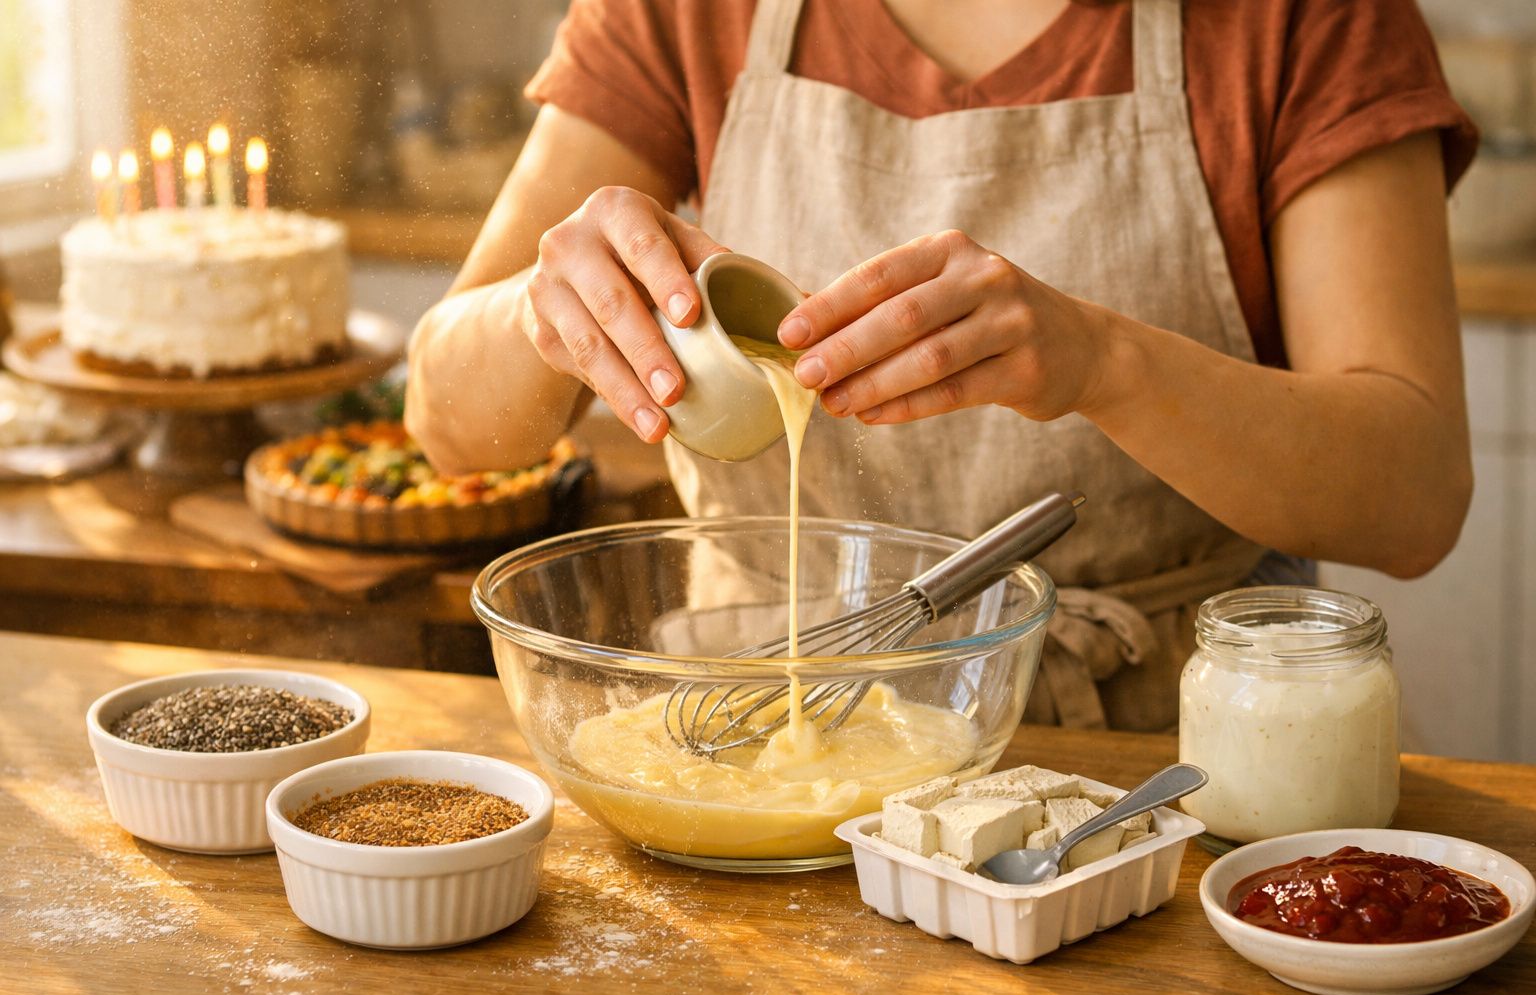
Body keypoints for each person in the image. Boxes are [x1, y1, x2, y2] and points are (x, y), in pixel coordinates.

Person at [406, 0, 1478, 731]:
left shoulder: (1305, 22)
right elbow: (447, 424)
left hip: (1170, 772)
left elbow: (1414, 495)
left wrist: (1105, 363)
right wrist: (541, 312)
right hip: (763, 729)